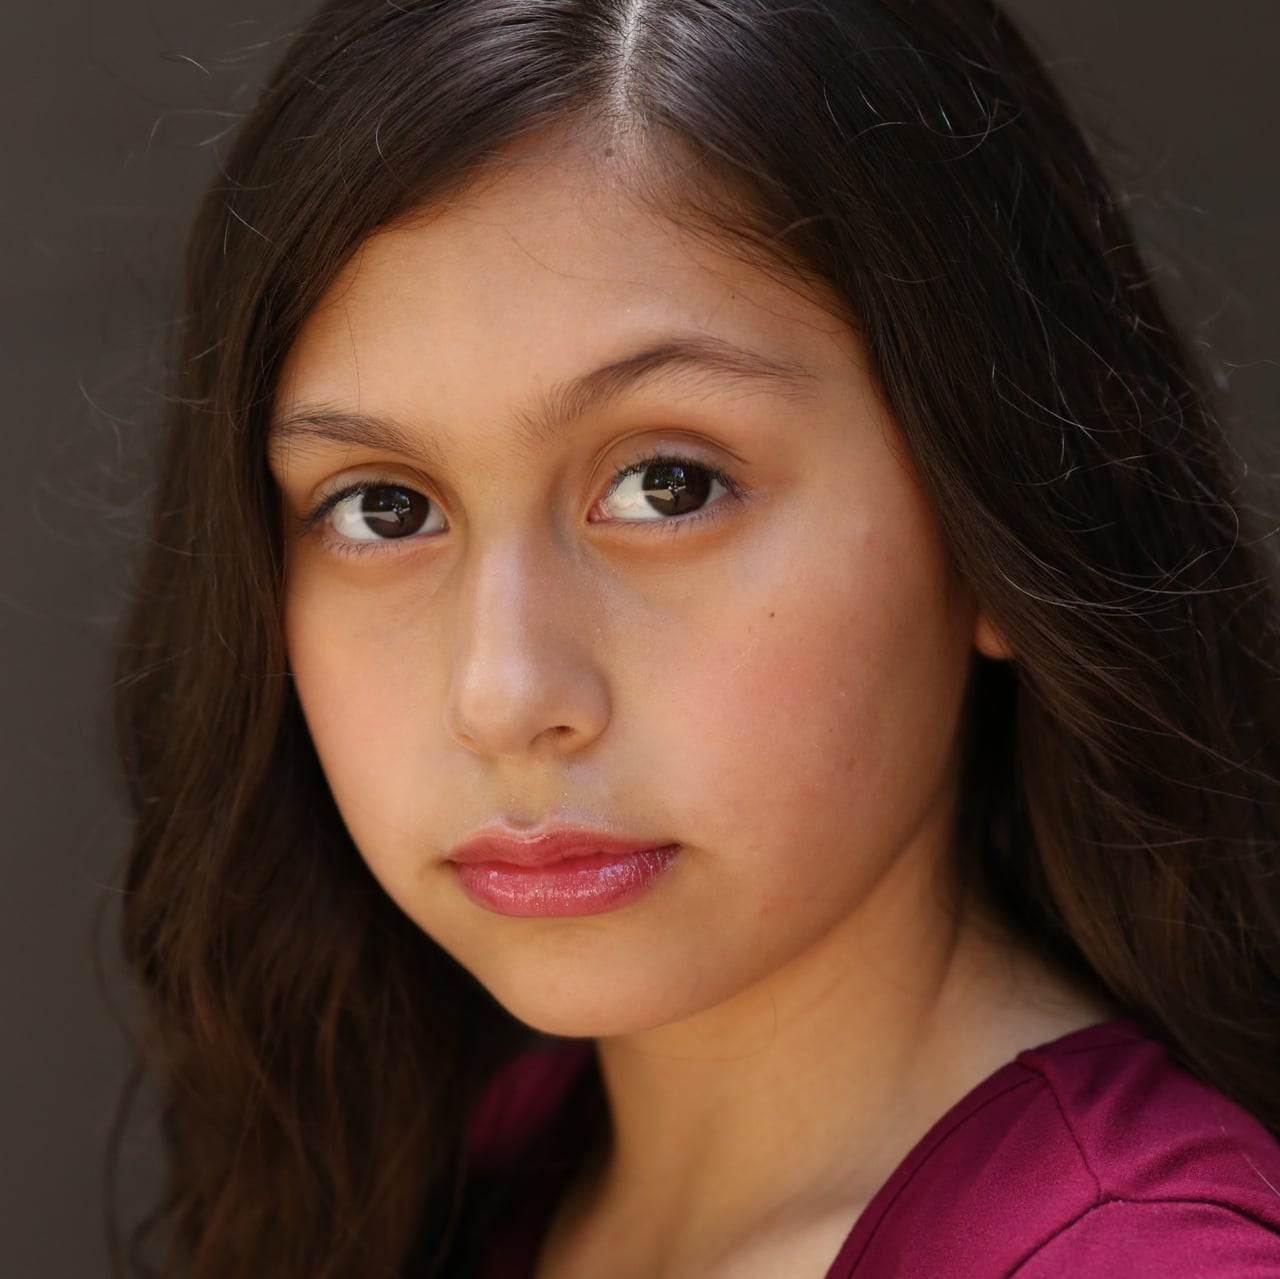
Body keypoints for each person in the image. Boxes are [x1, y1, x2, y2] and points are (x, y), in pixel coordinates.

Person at [109, 1, 1280, 1276]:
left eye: (667, 486)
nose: (503, 694)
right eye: (383, 508)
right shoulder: (458, 1172)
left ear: (998, 519)